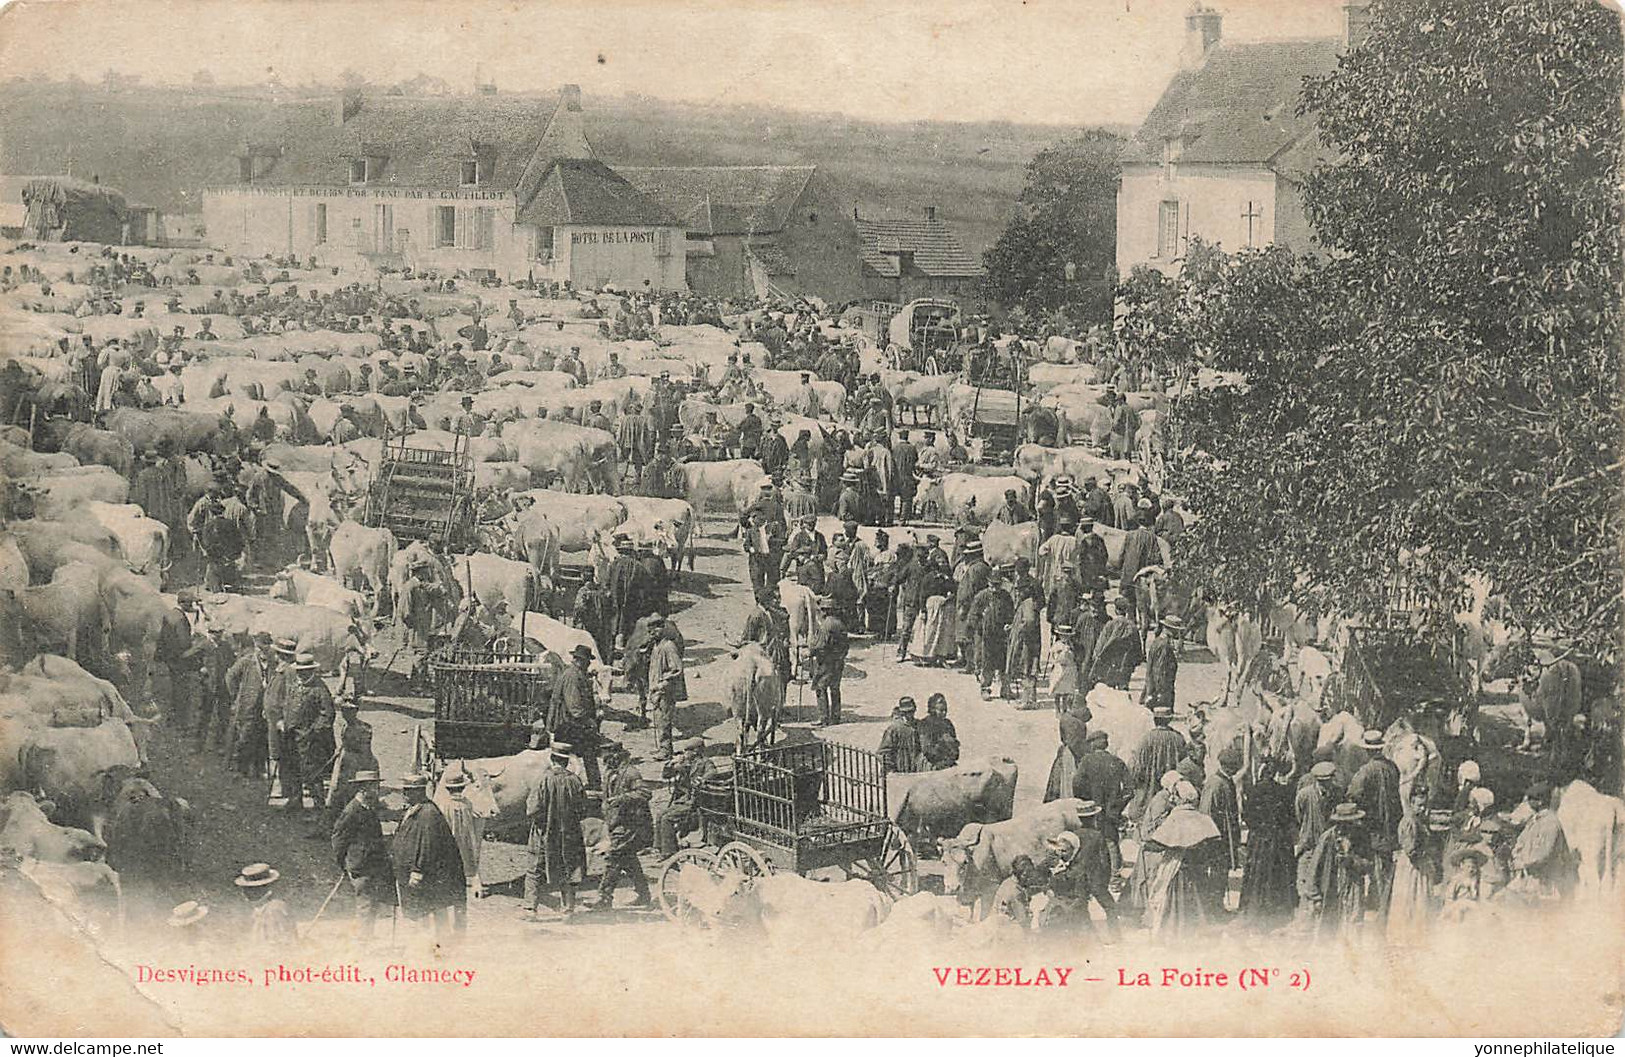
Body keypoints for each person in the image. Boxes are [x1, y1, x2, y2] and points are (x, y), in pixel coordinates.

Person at [1142, 780, 1221, 939]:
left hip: (1178, 869)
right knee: (1198, 901)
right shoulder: (1202, 817)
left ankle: (1173, 933)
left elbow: (1158, 843)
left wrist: (1146, 843)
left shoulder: (1176, 818)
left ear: (1179, 798)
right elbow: (1213, 842)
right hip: (1198, 869)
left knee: (1174, 903)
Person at [392, 772, 468, 935]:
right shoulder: (415, 809)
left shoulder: (428, 813)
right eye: (404, 790)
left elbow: (428, 845)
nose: (404, 794)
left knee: (430, 910)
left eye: (408, 791)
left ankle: (437, 943)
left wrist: (417, 870)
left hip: (424, 874)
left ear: (419, 792)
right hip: (416, 873)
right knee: (426, 910)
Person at [524, 742, 587, 918]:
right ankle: (568, 910)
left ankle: (530, 909)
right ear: (567, 762)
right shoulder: (575, 780)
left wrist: (541, 822)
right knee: (570, 868)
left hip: (544, 832)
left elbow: (532, 809)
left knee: (535, 869)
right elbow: (583, 809)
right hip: (570, 833)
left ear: (552, 760)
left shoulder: (543, 779)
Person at [330, 771, 397, 938]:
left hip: (372, 865)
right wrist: (345, 864)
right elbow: (338, 839)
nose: (377, 790)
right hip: (361, 867)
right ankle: (362, 943)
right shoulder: (351, 811)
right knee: (366, 905)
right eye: (374, 787)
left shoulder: (369, 807)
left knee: (372, 903)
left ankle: (367, 936)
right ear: (363, 789)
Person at [1347, 728, 1403, 917]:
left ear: (1367, 750)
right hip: (1391, 824)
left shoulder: (1365, 771)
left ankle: (1378, 902)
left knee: (1375, 865)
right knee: (1386, 863)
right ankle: (1385, 898)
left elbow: (1353, 795)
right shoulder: (1392, 767)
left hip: (1373, 825)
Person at [1239, 756, 1300, 928]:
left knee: (1257, 874)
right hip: (1279, 839)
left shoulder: (1253, 790)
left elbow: (1247, 816)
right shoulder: (1284, 791)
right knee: (1279, 873)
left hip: (1259, 838)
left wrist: (1257, 828)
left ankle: (1256, 909)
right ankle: (1279, 910)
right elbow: (1290, 817)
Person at [592, 742, 653, 909]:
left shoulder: (631, 773)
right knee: (628, 860)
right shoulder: (611, 773)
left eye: (607, 757)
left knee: (614, 857)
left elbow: (645, 793)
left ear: (616, 756)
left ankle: (604, 897)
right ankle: (644, 894)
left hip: (631, 825)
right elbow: (610, 795)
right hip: (616, 823)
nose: (604, 761)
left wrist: (622, 799)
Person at [1045, 805, 1119, 939]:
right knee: (1110, 907)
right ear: (1094, 818)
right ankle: (1115, 936)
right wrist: (1105, 881)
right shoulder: (1097, 836)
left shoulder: (1074, 835)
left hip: (1077, 878)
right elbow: (1105, 861)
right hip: (1095, 879)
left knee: (1081, 908)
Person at [1303, 802, 1372, 939]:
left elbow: (1369, 864)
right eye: (1344, 823)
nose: (1348, 827)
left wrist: (1352, 861)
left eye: (1351, 822)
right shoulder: (1328, 838)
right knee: (1330, 927)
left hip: (1354, 887)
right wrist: (1315, 897)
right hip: (1332, 887)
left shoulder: (1361, 835)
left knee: (1354, 923)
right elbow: (1314, 868)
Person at [1074, 730, 1130, 878]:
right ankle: (1115, 878)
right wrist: (1118, 805)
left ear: (1093, 744)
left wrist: (1084, 801)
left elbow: (1077, 784)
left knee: (1092, 841)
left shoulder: (1086, 761)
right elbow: (1130, 789)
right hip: (1112, 811)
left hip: (1092, 809)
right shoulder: (1117, 761)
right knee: (1111, 841)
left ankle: (1093, 876)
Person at [286, 651, 335, 820]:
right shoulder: (294, 685)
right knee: (293, 769)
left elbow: (327, 715)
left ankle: (318, 809)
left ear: (311, 671)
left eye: (305, 670)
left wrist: (313, 732)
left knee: (312, 774)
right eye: (299, 670)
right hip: (292, 736)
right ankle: (295, 800)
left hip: (311, 741)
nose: (301, 673)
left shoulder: (319, 689)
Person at [1510, 780, 1577, 900]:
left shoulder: (1550, 822)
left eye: (1531, 799)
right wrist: (1516, 856)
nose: (1528, 802)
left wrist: (1523, 863)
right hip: (1529, 879)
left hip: (1546, 882)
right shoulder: (1534, 821)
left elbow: (1544, 854)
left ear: (1540, 802)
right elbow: (1520, 842)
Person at [1387, 784, 1437, 942]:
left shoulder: (1419, 820)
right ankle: (1406, 933)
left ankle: (1418, 932)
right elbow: (1410, 850)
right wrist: (1425, 855)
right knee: (1411, 896)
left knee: (1419, 898)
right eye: (1419, 805)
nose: (1422, 808)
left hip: (1419, 863)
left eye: (1424, 805)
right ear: (1411, 803)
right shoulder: (1409, 821)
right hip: (1412, 866)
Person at [548, 645, 602, 791]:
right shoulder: (572, 677)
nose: (589, 664)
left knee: (574, 754)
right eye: (587, 661)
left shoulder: (577, 674)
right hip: (567, 723)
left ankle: (591, 783)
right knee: (580, 752)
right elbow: (575, 708)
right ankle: (588, 784)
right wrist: (590, 722)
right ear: (580, 661)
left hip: (569, 722)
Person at [656, 738, 716, 857]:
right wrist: (671, 764)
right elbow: (666, 775)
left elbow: (713, 772)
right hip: (682, 800)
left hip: (694, 802)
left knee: (666, 818)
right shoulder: (684, 764)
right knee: (659, 815)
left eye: (687, 751)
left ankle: (669, 852)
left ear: (695, 752)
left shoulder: (705, 762)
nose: (684, 753)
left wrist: (703, 780)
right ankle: (660, 847)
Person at [1200, 745, 1243, 908]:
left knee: (1222, 872)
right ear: (1228, 766)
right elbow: (1206, 813)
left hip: (1225, 836)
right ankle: (1212, 907)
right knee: (1217, 872)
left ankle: (1217, 905)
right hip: (1215, 838)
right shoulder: (1215, 783)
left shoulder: (1227, 781)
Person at [433, 769, 486, 900]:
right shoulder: (467, 804)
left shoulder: (444, 804)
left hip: (448, 839)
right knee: (464, 863)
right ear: (463, 788)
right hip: (465, 840)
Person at [1129, 705, 1188, 821]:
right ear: (1169, 720)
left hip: (1148, 788)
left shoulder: (1146, 739)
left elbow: (1135, 767)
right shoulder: (1178, 738)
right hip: (1171, 789)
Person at [647, 621, 686, 760]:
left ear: (663, 629)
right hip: (655, 690)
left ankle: (666, 750)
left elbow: (676, 669)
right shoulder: (655, 646)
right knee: (658, 719)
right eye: (650, 630)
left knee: (664, 720)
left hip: (665, 691)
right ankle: (662, 747)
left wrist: (663, 683)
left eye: (656, 629)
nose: (652, 632)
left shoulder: (669, 646)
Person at [808, 595, 849, 726]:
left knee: (820, 688)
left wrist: (810, 650)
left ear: (825, 611)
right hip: (839, 661)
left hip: (826, 662)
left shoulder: (826, 625)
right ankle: (835, 717)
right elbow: (846, 645)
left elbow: (820, 645)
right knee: (835, 688)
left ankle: (823, 717)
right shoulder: (840, 624)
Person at [236, 863, 298, 950]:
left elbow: (280, 945)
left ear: (263, 888)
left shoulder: (274, 909)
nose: (243, 893)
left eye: (249, 889)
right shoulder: (259, 908)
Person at [1087, 598, 1142, 690]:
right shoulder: (1132, 627)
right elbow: (1137, 650)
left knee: (1110, 690)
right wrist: (1133, 663)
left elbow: (1100, 645)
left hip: (1111, 664)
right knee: (1123, 690)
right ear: (1126, 610)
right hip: (1125, 665)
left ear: (1116, 610)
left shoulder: (1110, 624)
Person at [1045, 699, 1092, 802]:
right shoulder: (1076, 723)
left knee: (1061, 780)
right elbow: (1075, 744)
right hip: (1073, 754)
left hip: (1066, 751)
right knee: (1070, 781)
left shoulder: (1065, 717)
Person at [1141, 614, 1181, 714]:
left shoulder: (1158, 641)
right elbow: (1160, 670)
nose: (1177, 633)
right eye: (1175, 630)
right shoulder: (1164, 646)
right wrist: (1160, 690)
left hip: (1154, 684)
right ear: (1168, 629)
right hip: (1162, 687)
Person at [878, 698, 926, 775]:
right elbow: (883, 753)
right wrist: (891, 770)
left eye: (911, 711)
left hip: (918, 770)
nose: (909, 715)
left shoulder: (920, 725)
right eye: (906, 712)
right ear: (901, 712)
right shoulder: (894, 729)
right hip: (900, 771)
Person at [918, 693, 960, 770]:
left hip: (948, 763)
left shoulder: (948, 724)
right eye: (941, 710)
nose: (944, 713)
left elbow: (955, 747)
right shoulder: (925, 724)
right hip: (932, 765)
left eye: (945, 710)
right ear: (932, 710)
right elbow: (927, 749)